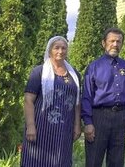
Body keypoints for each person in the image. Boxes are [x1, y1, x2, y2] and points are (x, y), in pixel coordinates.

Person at [21, 36, 81, 167]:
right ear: (50, 51)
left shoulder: (74, 75)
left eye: (63, 48)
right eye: (56, 48)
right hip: (41, 127)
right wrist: (31, 126)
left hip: (64, 129)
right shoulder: (39, 72)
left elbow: (77, 103)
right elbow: (28, 100)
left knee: (61, 161)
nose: (60, 51)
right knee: (36, 161)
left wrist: (77, 125)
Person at [82, 27, 125, 167]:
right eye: (112, 41)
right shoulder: (94, 67)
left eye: (119, 41)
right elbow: (86, 96)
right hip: (99, 117)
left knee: (117, 161)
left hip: (121, 118)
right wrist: (88, 122)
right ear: (103, 43)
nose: (115, 44)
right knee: (94, 160)